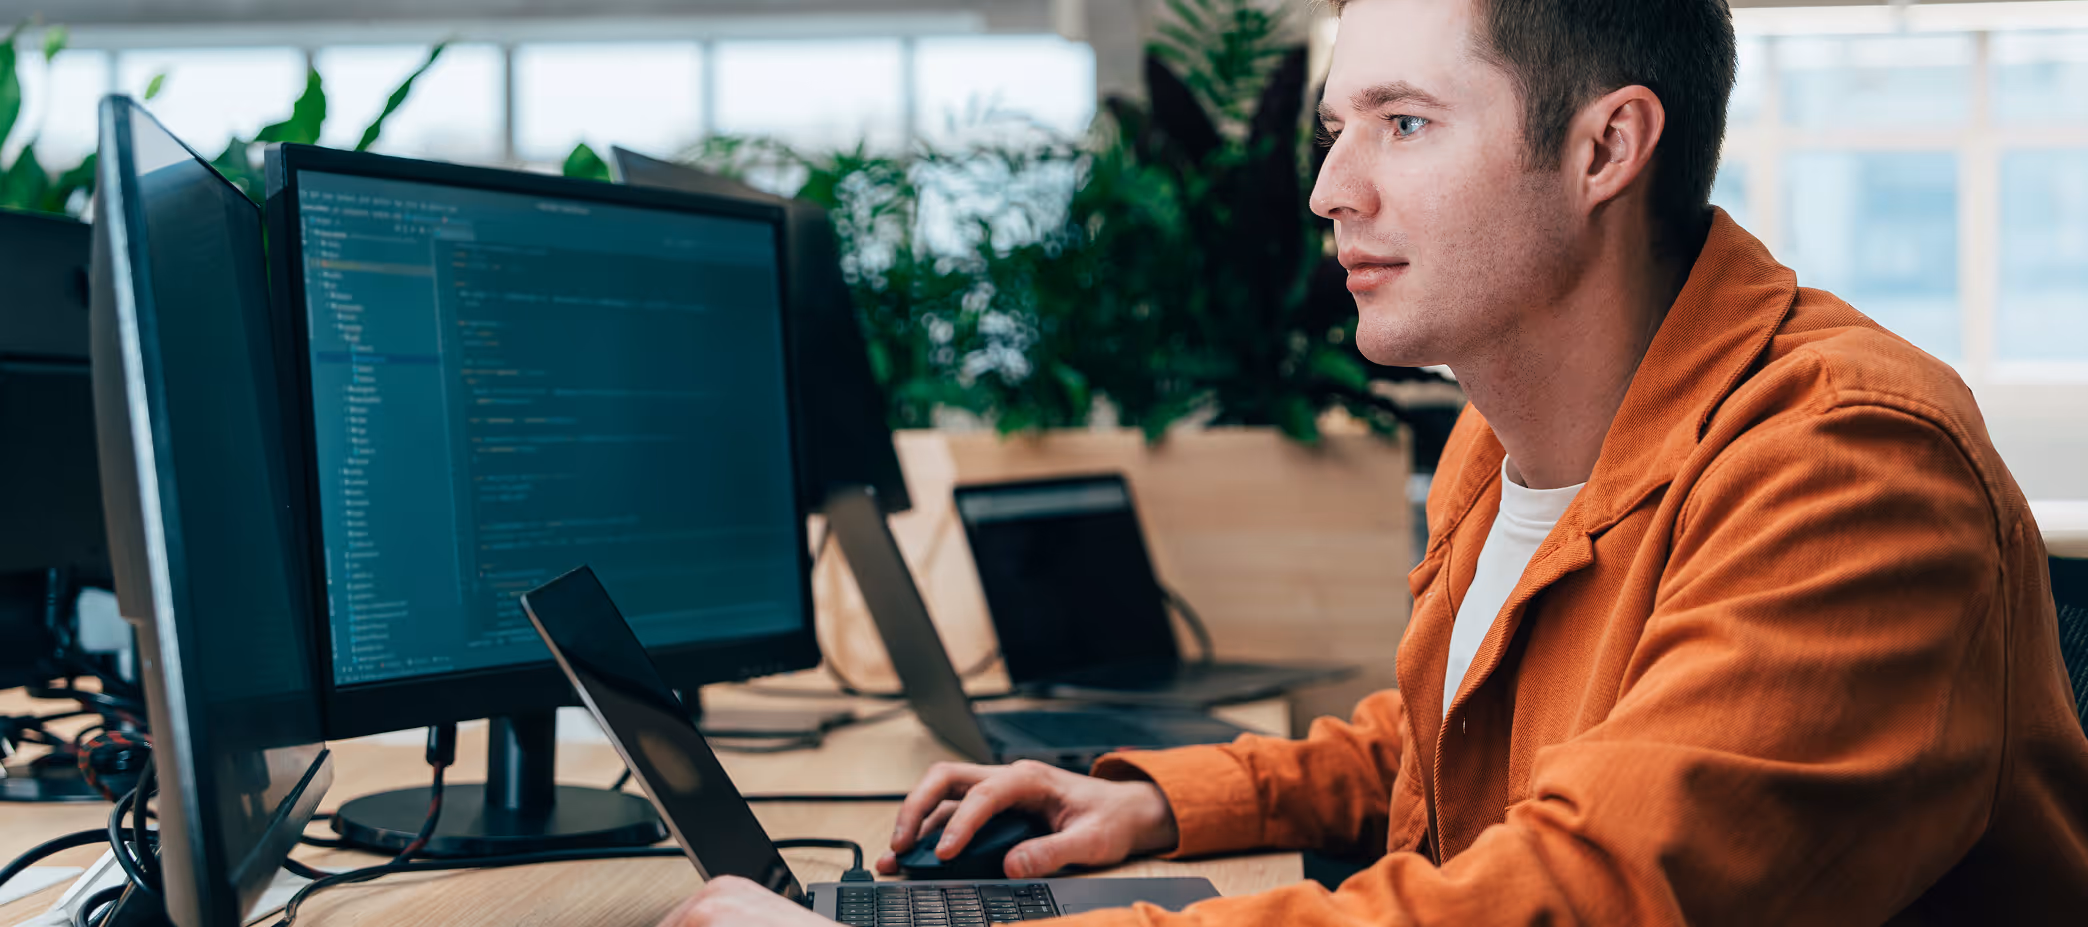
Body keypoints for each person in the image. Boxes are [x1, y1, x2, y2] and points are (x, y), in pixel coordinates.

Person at [657, 0, 2088, 923]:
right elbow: (1453, 732)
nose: (1334, 188)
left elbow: (1590, 892)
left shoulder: (1850, 466)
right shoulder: (1504, 430)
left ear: (1607, 147)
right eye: (1342, 129)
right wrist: (1162, 800)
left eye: (1403, 124)